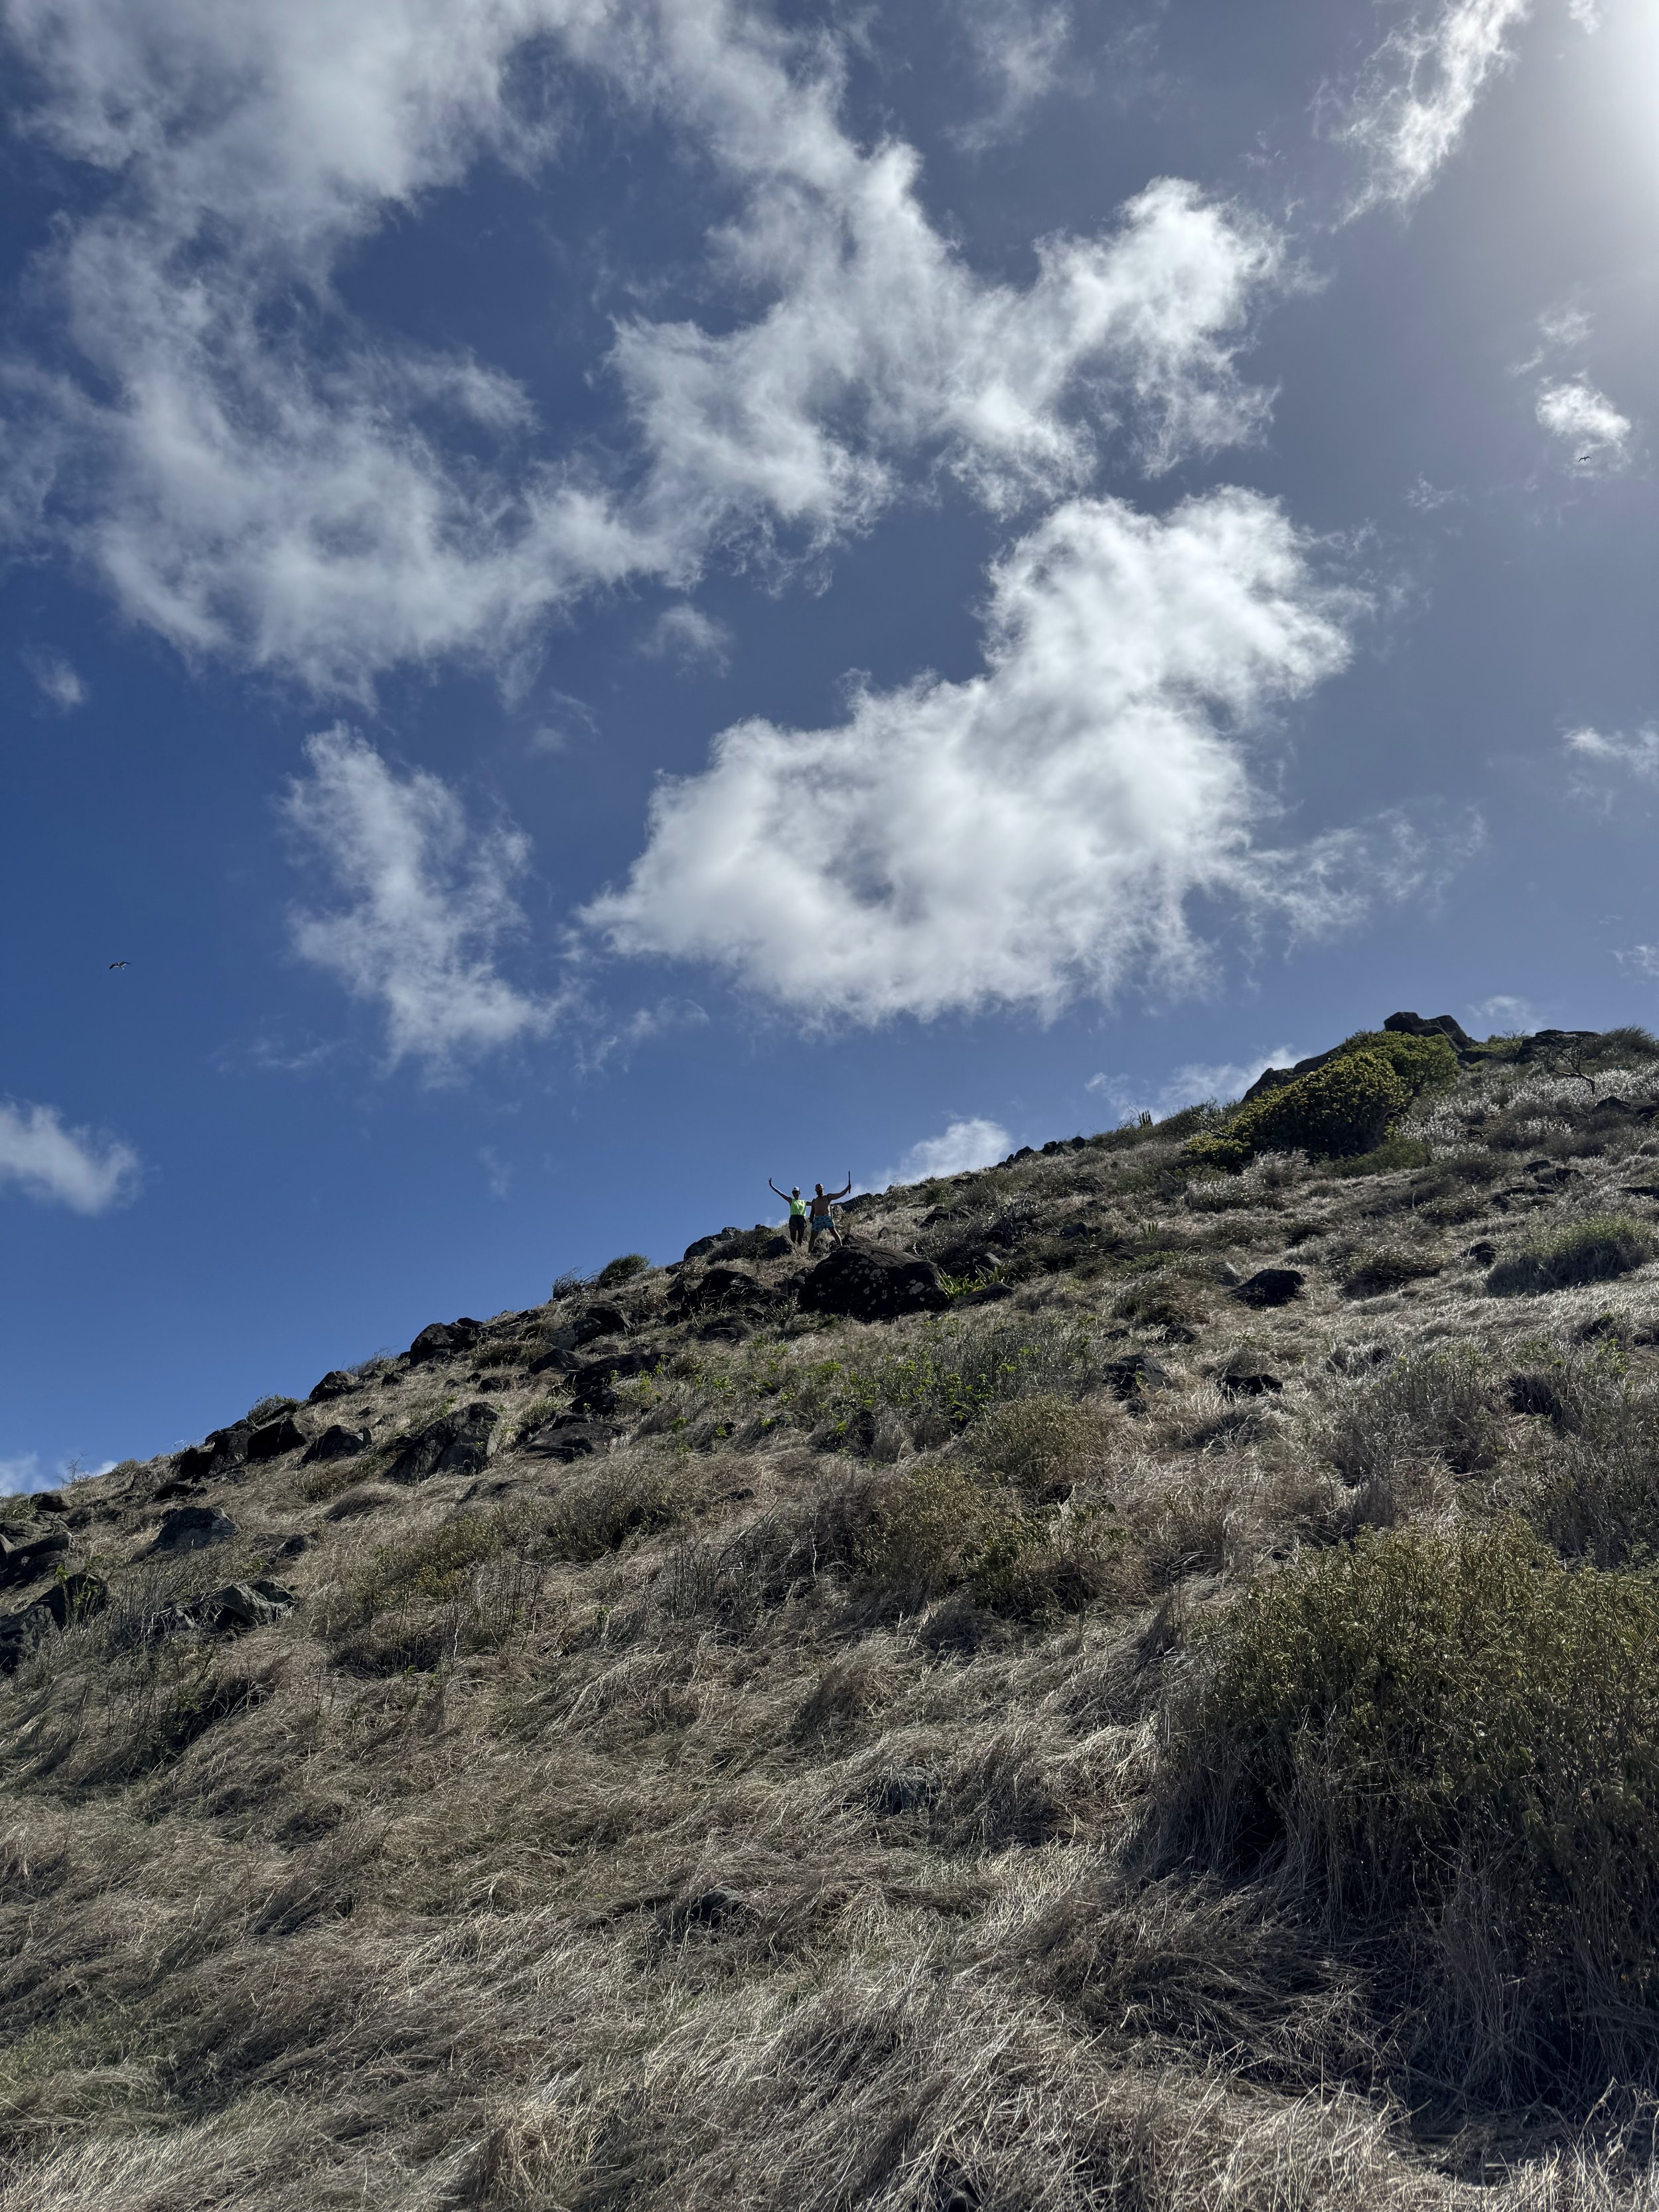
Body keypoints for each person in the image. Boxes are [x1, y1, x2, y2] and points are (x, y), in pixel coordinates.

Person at [808, 1175, 852, 1248]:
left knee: (833, 1231)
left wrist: (847, 1189)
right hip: (817, 1219)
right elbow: (812, 1212)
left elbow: (840, 1194)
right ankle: (809, 1252)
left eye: (820, 1188)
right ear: (816, 1190)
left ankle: (840, 1247)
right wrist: (811, 1218)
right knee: (813, 1236)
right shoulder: (814, 1201)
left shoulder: (828, 1196)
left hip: (826, 1217)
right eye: (817, 1188)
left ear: (823, 1189)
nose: (819, 1189)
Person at [769, 1178, 809, 1252]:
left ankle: (799, 1249)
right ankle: (793, 1250)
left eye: (796, 1192)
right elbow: (780, 1193)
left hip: (801, 1218)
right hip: (793, 1218)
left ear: (799, 1193)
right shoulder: (791, 1200)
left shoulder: (804, 1202)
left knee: (800, 1237)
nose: (795, 1194)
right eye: (794, 1192)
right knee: (793, 1237)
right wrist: (772, 1186)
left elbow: (815, 1204)